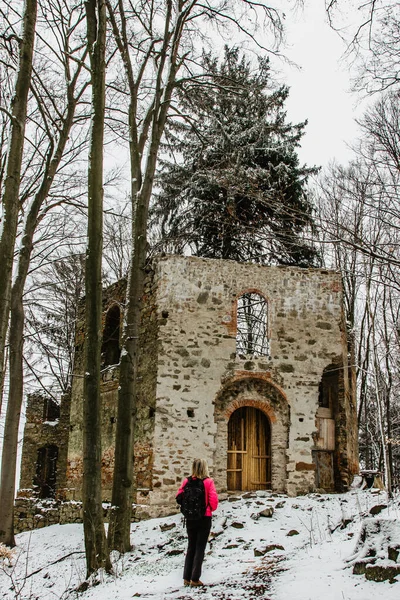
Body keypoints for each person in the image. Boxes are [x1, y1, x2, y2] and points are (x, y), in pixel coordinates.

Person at [176, 458, 218, 587]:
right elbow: (214, 502)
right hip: (204, 518)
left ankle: (186, 578)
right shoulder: (208, 482)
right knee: (200, 548)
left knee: (191, 547)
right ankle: (195, 578)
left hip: (190, 519)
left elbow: (179, 497)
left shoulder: (187, 481)